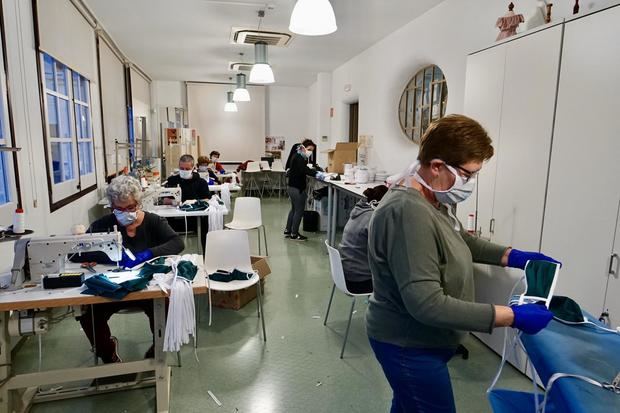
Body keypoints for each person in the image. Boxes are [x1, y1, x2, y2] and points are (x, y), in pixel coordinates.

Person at [366, 114, 558, 413]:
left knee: (407, 406)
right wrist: (511, 316)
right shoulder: (407, 212)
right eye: (468, 175)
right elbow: (427, 303)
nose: (470, 183)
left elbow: (459, 240)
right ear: (437, 166)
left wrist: (512, 256)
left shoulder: (432, 199)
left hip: (426, 342)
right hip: (408, 345)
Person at [74, 175, 184, 363]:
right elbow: (77, 253)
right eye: (119, 209)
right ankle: (108, 353)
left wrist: (148, 253)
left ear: (138, 202)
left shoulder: (153, 222)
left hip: (146, 288)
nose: (126, 212)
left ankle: (158, 350)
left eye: (131, 207)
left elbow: (177, 243)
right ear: (111, 206)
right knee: (88, 314)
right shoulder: (103, 225)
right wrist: (104, 256)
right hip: (113, 289)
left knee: (165, 306)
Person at [339, 184, 388, 294]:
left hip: (343, 275)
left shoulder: (359, 210)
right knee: (394, 284)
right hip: (357, 281)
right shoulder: (372, 218)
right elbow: (382, 252)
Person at [164, 154, 212, 251]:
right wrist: (173, 202)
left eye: (187, 168)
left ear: (193, 168)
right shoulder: (172, 180)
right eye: (182, 168)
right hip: (174, 220)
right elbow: (165, 199)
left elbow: (207, 199)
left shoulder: (200, 182)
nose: (184, 171)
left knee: (205, 223)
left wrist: (193, 202)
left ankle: (205, 253)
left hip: (195, 220)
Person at [284, 140, 321, 241]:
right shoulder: (300, 158)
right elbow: (304, 170)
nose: (310, 152)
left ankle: (288, 230)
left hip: (291, 187)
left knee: (294, 209)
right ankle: (294, 234)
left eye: (312, 151)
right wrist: (316, 173)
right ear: (303, 147)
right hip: (297, 188)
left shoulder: (296, 155)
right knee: (299, 211)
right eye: (309, 150)